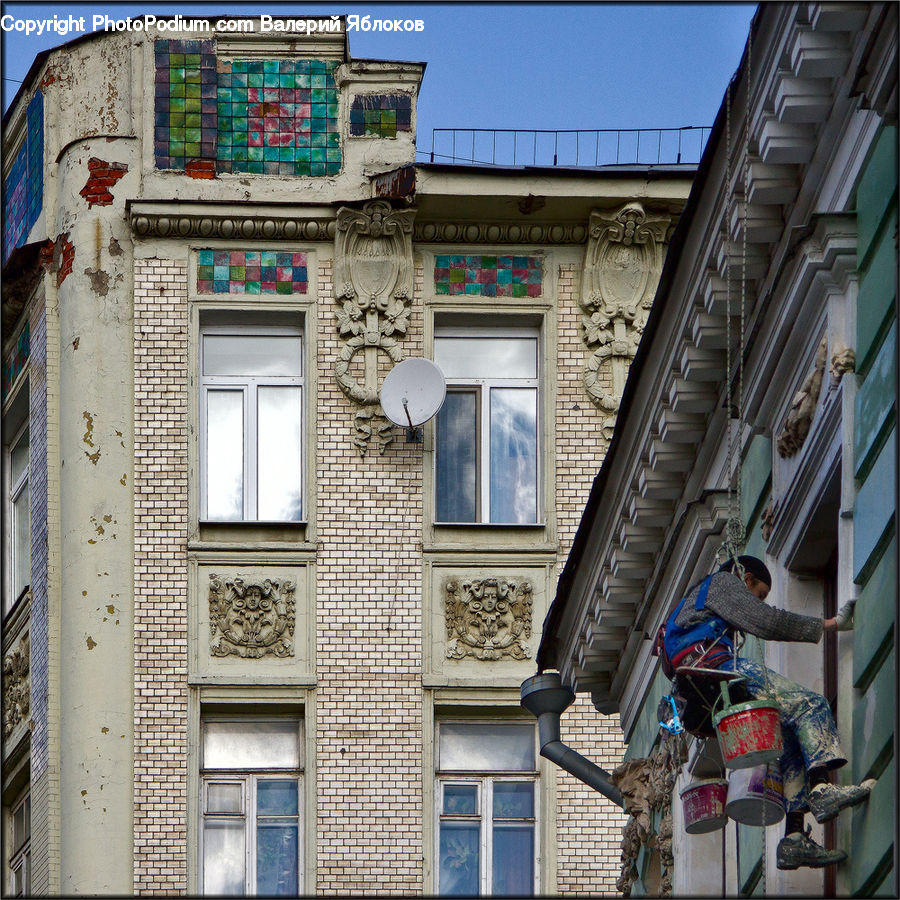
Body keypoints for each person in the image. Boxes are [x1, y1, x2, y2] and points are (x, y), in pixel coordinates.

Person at [665, 555, 872, 870]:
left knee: (789, 738)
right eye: (759, 594)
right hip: (718, 669)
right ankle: (822, 789)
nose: (758, 601)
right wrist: (830, 624)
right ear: (746, 579)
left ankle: (793, 837)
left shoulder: (692, 605)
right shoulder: (723, 583)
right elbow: (767, 621)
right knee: (810, 703)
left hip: (701, 684)